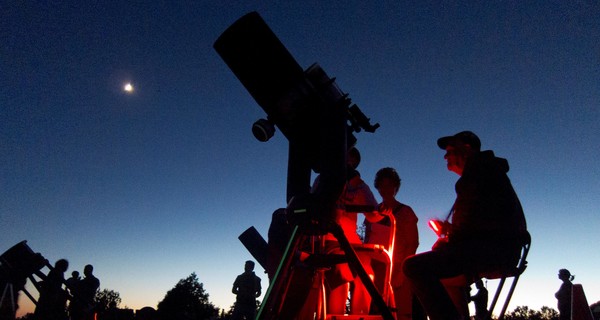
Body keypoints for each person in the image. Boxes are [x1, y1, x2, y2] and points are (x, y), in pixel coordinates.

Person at [402, 131, 528, 320]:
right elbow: (478, 221)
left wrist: (447, 238)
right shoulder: (488, 172)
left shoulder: (476, 175)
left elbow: (467, 230)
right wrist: (449, 235)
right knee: (445, 276)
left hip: (490, 250)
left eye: (451, 150)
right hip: (502, 248)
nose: (446, 156)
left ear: (467, 150)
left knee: (413, 266)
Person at [316, 147, 387, 315]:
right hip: (330, 239)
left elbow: (373, 215)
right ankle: (336, 316)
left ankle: (360, 316)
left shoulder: (359, 185)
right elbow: (316, 207)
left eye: (352, 162)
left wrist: (385, 210)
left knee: (367, 276)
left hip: (352, 241)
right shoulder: (323, 180)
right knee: (342, 278)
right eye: (345, 159)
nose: (348, 164)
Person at [364, 167, 420, 320]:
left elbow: (412, 243)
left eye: (390, 185)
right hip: (375, 269)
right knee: (376, 312)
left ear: (396, 187)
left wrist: (401, 273)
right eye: (382, 185)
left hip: (397, 269)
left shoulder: (406, 212)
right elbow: (367, 239)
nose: (386, 189)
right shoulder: (372, 213)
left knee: (401, 312)